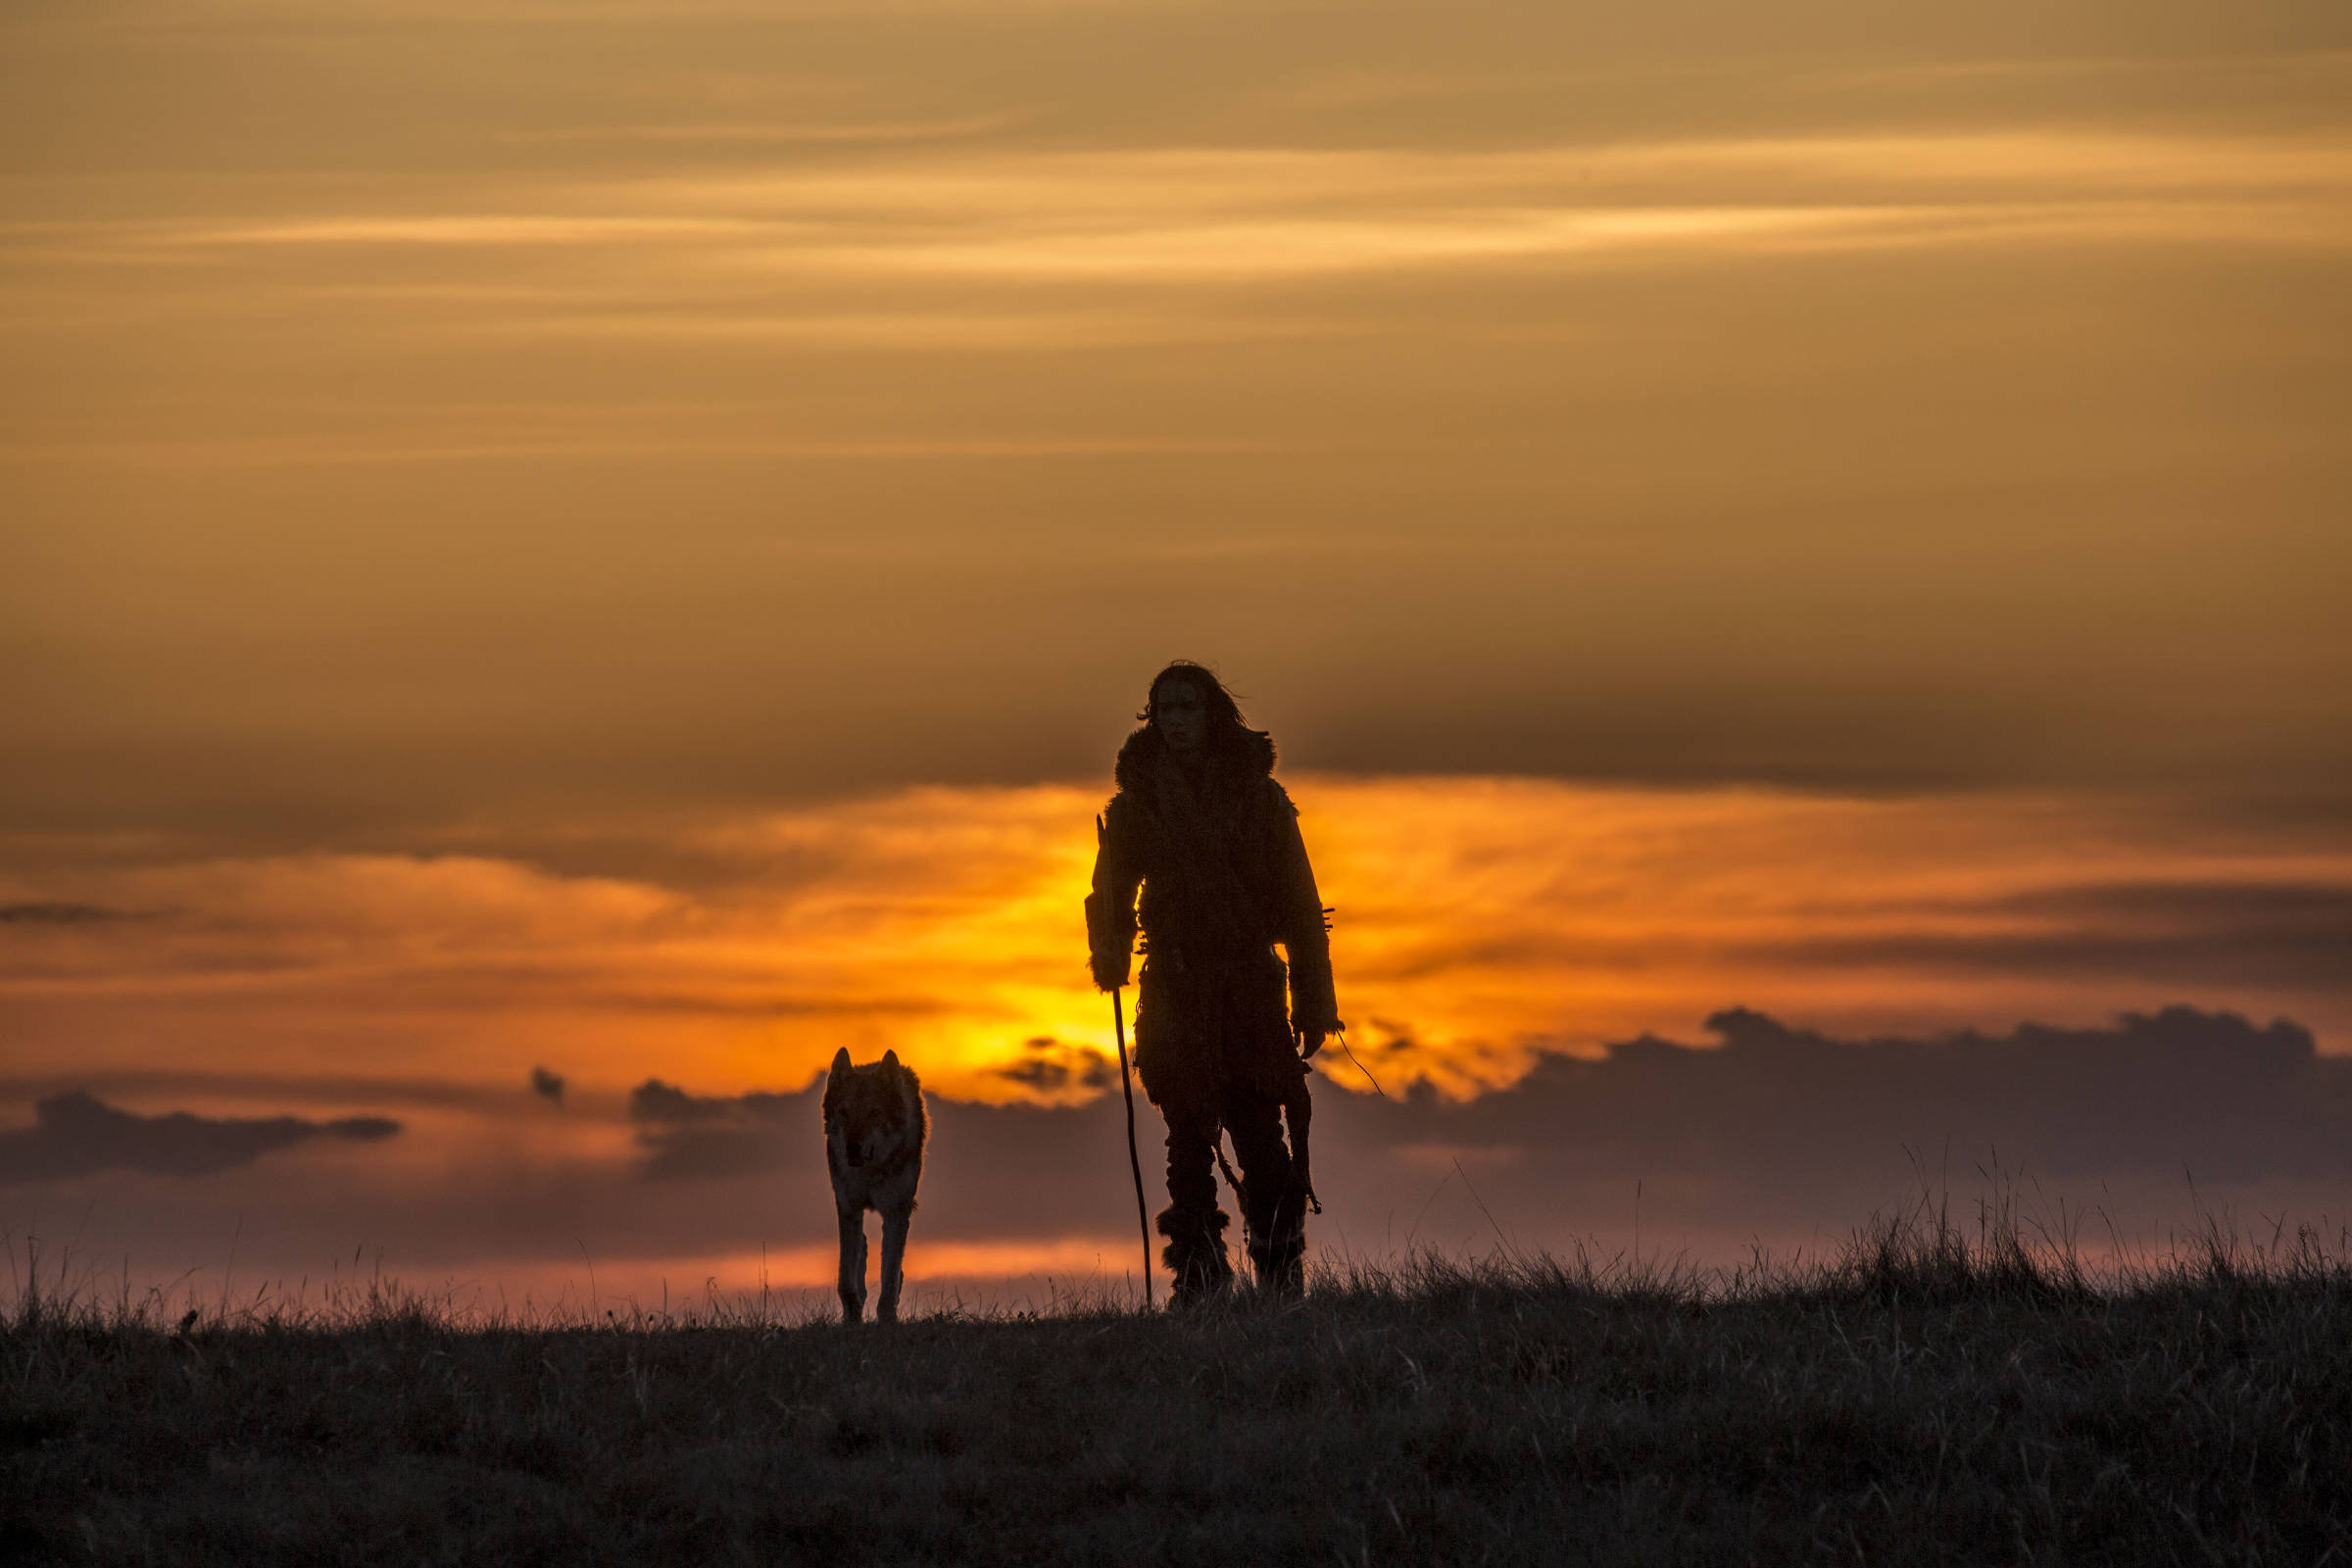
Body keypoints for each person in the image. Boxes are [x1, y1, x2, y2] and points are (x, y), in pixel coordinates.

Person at [1086, 661, 1340, 1301]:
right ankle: (1200, 1286)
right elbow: (1109, 893)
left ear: (1213, 716)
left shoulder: (1261, 799)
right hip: (1174, 988)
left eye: (1187, 709)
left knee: (1261, 1136)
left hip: (1251, 988)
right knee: (1188, 1141)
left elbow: (1302, 905)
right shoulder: (1136, 805)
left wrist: (1315, 1002)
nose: (1175, 722)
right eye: (1164, 709)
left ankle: (1281, 1283)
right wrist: (1110, 951)